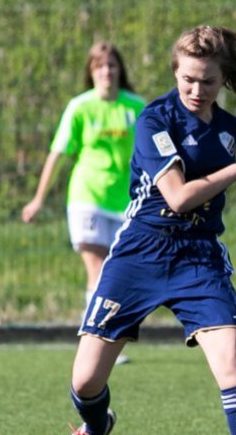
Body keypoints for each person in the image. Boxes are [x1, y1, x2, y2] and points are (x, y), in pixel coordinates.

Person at [57, 25, 236, 435]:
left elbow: (198, 207)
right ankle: (97, 423)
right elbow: (178, 195)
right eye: (188, 79)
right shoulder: (153, 121)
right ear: (175, 73)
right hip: (139, 254)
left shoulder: (230, 129)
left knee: (230, 362)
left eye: (207, 81)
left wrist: (233, 161)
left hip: (197, 256)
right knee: (85, 382)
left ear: (222, 78)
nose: (196, 89)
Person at [22, 41, 145, 365]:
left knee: (120, 272)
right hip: (86, 198)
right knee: (100, 270)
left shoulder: (136, 107)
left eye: (112, 66)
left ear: (120, 70)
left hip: (126, 203)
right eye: (99, 66)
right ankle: (99, 340)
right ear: (91, 72)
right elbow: (58, 154)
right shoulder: (79, 107)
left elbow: (152, 153)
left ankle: (101, 334)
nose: (106, 72)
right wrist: (38, 199)